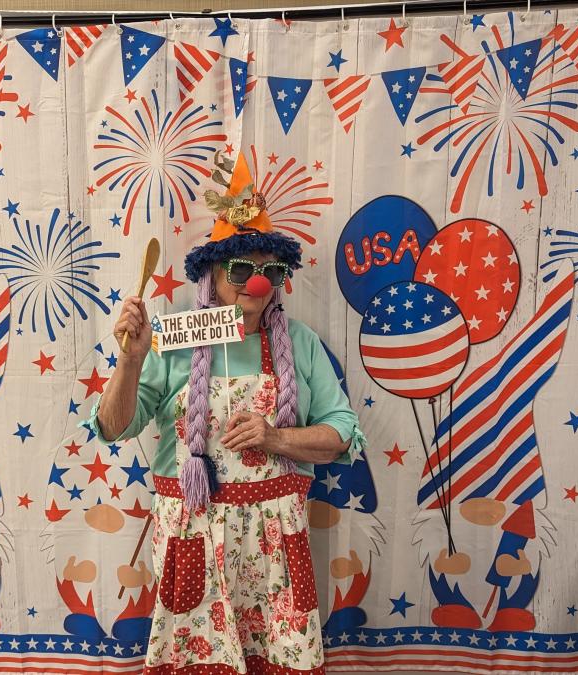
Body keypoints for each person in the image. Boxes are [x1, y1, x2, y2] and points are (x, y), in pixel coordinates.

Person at [90, 152, 365, 673]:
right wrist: (130, 360)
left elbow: (342, 435)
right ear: (213, 276)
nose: (253, 282)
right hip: (194, 540)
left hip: (274, 556)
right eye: (240, 269)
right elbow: (113, 427)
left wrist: (276, 438)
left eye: (269, 271)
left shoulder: (301, 344)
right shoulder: (172, 341)